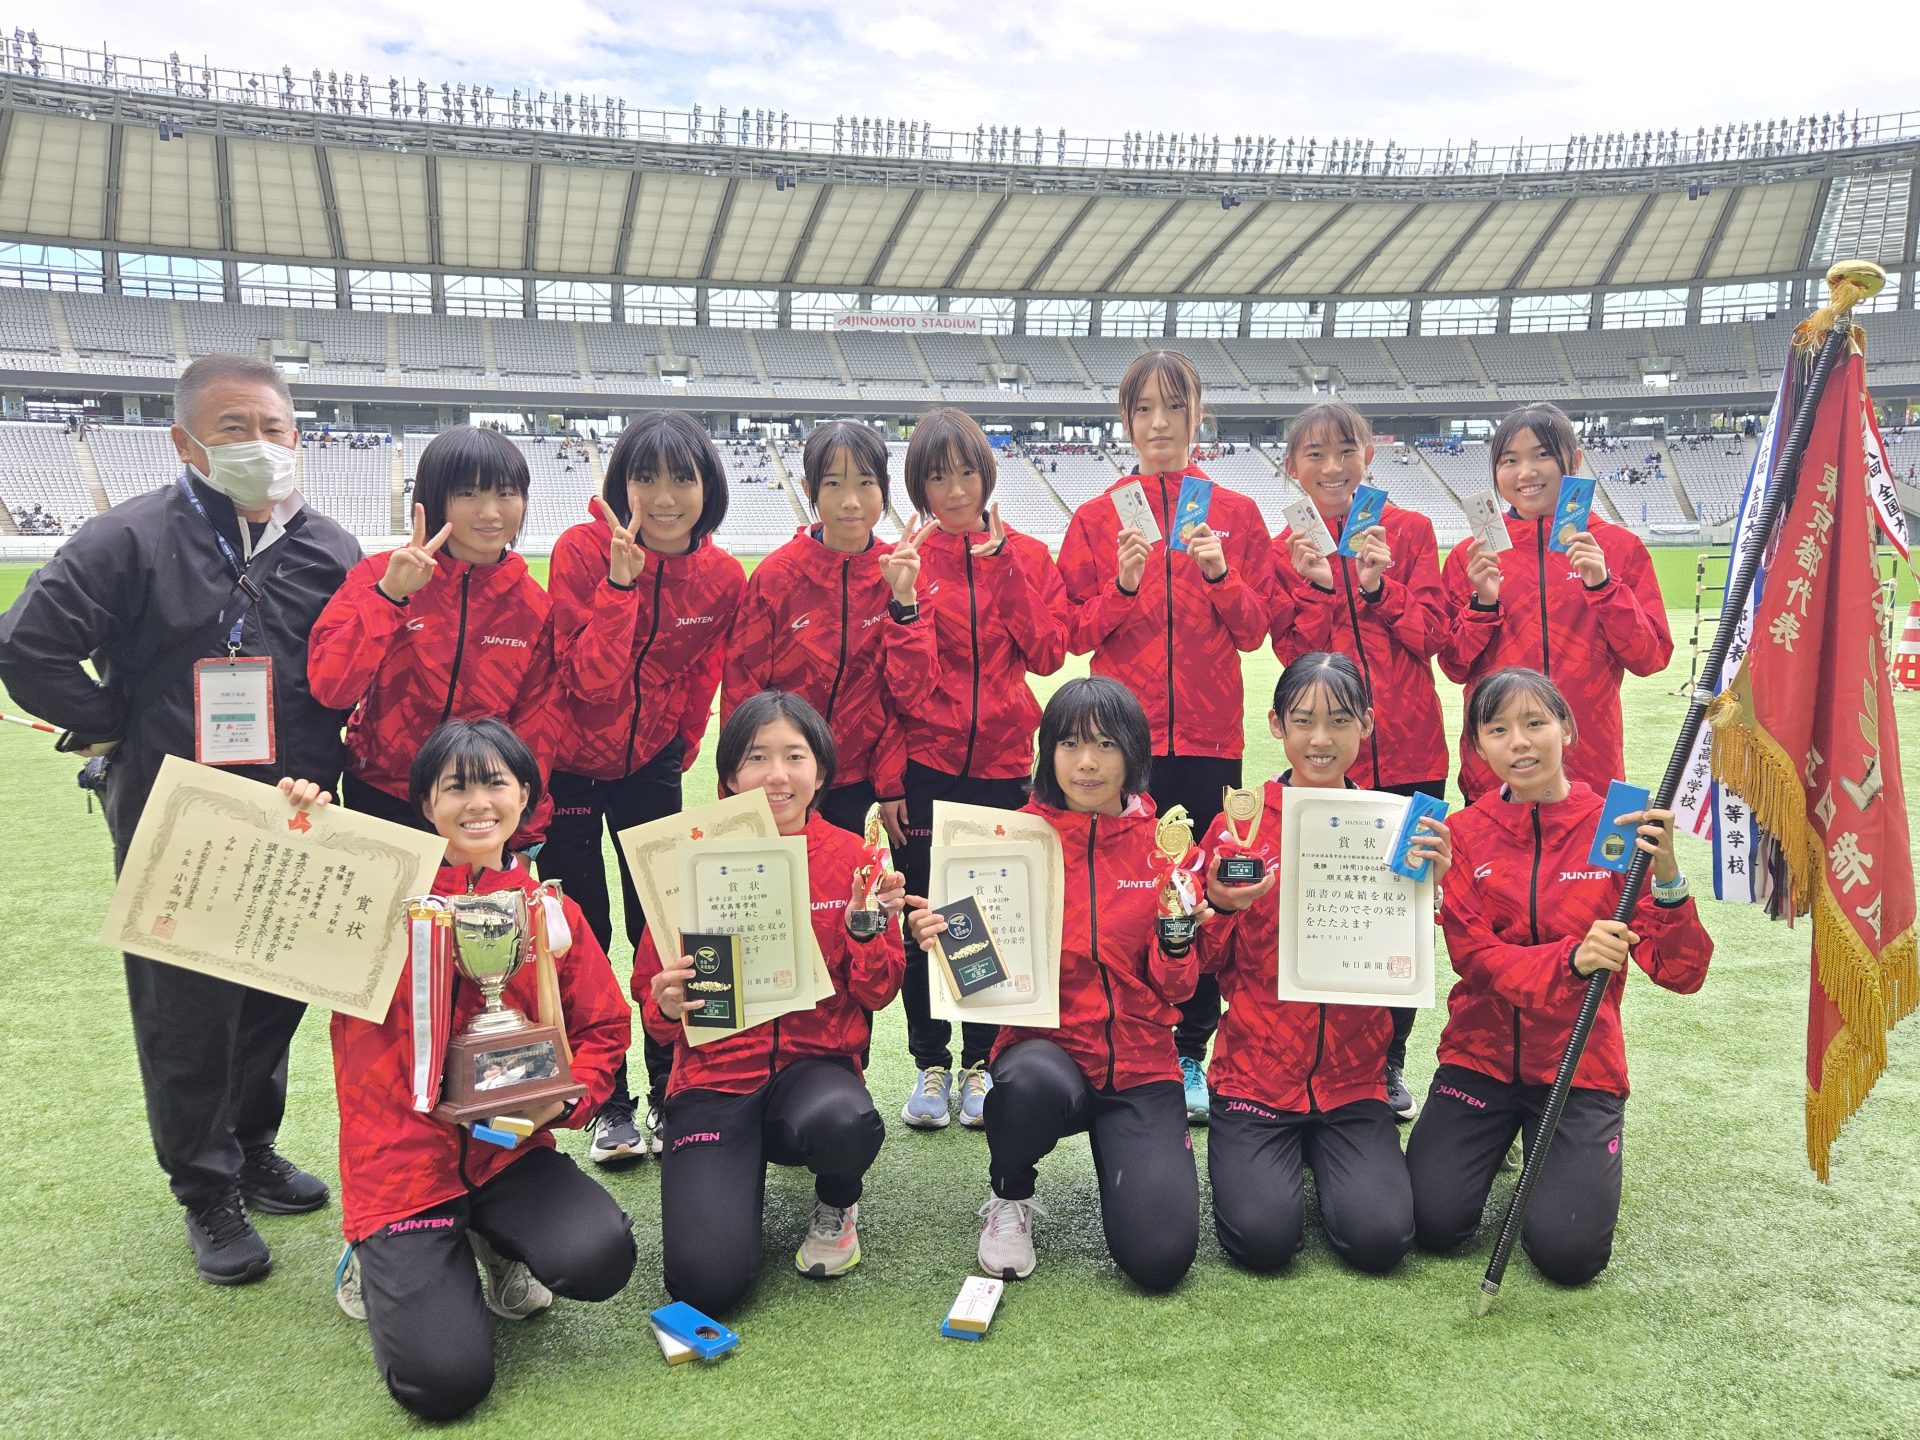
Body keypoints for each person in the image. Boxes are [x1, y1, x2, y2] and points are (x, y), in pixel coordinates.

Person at [0, 355, 359, 1284]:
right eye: (235, 428)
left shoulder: (329, 549)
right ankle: (205, 1189)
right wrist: (114, 727)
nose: (262, 447)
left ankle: (251, 1146)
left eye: (276, 429)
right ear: (185, 442)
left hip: (295, 812)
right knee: (186, 1005)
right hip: (175, 812)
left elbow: (353, 672)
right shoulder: (125, 540)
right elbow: (27, 648)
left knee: (277, 987)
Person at [316, 719, 634, 1421]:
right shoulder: (373, 900)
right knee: (445, 1384)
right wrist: (299, 829)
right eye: (454, 787)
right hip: (402, 1166)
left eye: (496, 782)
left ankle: (494, 1243)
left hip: (506, 1148)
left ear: (525, 795)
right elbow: (282, 919)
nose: (478, 803)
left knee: (600, 1257)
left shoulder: (549, 911)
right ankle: (382, 1255)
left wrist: (565, 1101)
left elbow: (606, 1027)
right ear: (426, 804)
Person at [1405, 668, 1711, 1286]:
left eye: (1535, 723)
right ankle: (1499, 1142)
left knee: (1568, 1256)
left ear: (1566, 729)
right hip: (1480, 1060)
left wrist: (1670, 877)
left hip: (1580, 1066)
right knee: (1432, 1226)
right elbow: (1477, 959)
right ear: (1479, 747)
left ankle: (1561, 1154)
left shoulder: (1618, 826)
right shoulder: (1460, 835)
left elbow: (1682, 973)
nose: (1519, 743)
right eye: (1498, 730)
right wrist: (1572, 958)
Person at [908, 677, 1204, 1289]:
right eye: (1069, 744)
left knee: (1160, 1260)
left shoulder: (1165, 851)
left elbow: (1177, 991)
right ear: (1048, 754)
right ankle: (1011, 1194)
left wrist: (1178, 939)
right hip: (1046, 1057)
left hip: (1142, 1064)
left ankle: (1138, 1154)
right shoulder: (1005, 840)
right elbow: (976, 973)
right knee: (1023, 1087)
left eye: (1105, 744)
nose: (1088, 763)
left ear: (1134, 752)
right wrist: (941, 936)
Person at [1056, 351, 1276, 1127]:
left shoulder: (1236, 515)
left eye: (1173, 409)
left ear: (1196, 418)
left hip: (1211, 737)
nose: (1158, 424)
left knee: (1205, 892)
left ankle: (1192, 1047)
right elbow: (1070, 634)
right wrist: (1121, 584)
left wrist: (1219, 572)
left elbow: (1256, 633)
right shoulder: (1097, 517)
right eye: (1143, 410)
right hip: (1125, 740)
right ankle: (1124, 1031)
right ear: (1125, 423)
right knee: (1133, 892)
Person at [638, 691, 907, 1314]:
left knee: (845, 1122)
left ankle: (837, 1198)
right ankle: (728, 1177)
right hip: (715, 1077)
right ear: (730, 774)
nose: (777, 775)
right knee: (708, 1286)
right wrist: (665, 1004)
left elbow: (880, 991)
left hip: (816, 1068)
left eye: (795, 756)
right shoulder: (684, 855)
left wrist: (863, 933)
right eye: (757, 757)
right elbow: (654, 1010)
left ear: (821, 771)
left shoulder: (854, 858)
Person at [1195, 654, 1445, 1274]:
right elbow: (1199, 964)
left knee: (1382, 1241)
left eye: (1338, 721)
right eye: (1303, 721)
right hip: (1256, 1074)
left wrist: (1435, 897)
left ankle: (1331, 1154)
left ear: (1367, 724)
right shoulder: (1237, 829)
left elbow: (1414, 959)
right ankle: (1271, 1156)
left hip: (1353, 1079)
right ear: (1276, 725)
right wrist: (1220, 909)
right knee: (1261, 1243)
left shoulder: (1401, 829)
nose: (1321, 739)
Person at [542, 412, 744, 1165]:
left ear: (707, 486)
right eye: (645, 476)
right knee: (579, 934)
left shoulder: (721, 577)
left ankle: (670, 1090)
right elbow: (586, 678)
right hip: (566, 764)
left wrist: (681, 745)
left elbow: (704, 671)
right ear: (620, 482)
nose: (664, 497)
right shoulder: (580, 551)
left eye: (681, 478)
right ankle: (607, 1102)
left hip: (652, 766)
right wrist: (622, 586)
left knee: (663, 929)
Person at [885, 407, 1068, 1132]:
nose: (955, 489)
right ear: (919, 484)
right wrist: (893, 777)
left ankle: (982, 1060)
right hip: (926, 768)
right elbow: (898, 690)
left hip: (1001, 767)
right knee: (926, 922)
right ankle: (930, 1062)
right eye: (937, 475)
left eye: (966, 471)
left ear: (988, 474)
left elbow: (1049, 653)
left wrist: (1007, 571)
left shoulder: (1026, 552)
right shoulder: (904, 559)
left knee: (989, 919)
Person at [1273, 402, 1448, 1123]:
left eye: (1344, 450)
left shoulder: (1410, 531)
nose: (1332, 467)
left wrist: (1379, 584)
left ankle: (1391, 1057)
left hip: (1409, 751)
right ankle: (1326, 1058)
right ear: (1293, 468)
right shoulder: (1289, 541)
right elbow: (1287, 650)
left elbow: (1435, 633)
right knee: (1327, 906)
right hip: (1324, 758)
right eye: (1313, 455)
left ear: (1370, 454)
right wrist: (1317, 584)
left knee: (1403, 909)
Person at [307, 425, 557, 845]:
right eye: (468, 494)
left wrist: (525, 824)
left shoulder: (532, 604)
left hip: (476, 805)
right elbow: (331, 689)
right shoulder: (380, 575)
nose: (490, 512)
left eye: (505, 493)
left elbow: (536, 721)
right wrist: (390, 597)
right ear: (434, 499)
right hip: (382, 793)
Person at [1438, 403, 1672, 803]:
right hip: (1495, 765)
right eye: (1510, 460)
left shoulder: (1617, 547)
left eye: (1542, 455)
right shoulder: (1471, 555)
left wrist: (1603, 587)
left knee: (1593, 864)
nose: (1526, 473)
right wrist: (1483, 603)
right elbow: (1455, 666)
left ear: (1574, 460)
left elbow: (1650, 659)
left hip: (1590, 760)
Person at [721, 422, 907, 840]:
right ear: (809, 487)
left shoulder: (896, 574)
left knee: (851, 899)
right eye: (834, 484)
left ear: (885, 488)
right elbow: (742, 688)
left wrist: (891, 781)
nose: (851, 501)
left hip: (858, 782)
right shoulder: (776, 577)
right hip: (781, 779)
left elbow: (901, 694)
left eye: (865, 483)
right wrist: (736, 794)